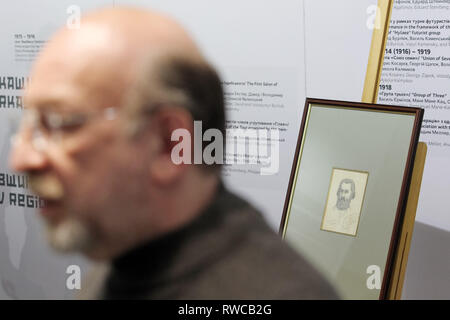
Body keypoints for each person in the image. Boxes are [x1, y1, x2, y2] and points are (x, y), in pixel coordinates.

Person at [9, 7, 337, 299]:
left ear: (169, 144)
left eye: (60, 123)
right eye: (28, 125)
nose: (21, 159)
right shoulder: (127, 261)